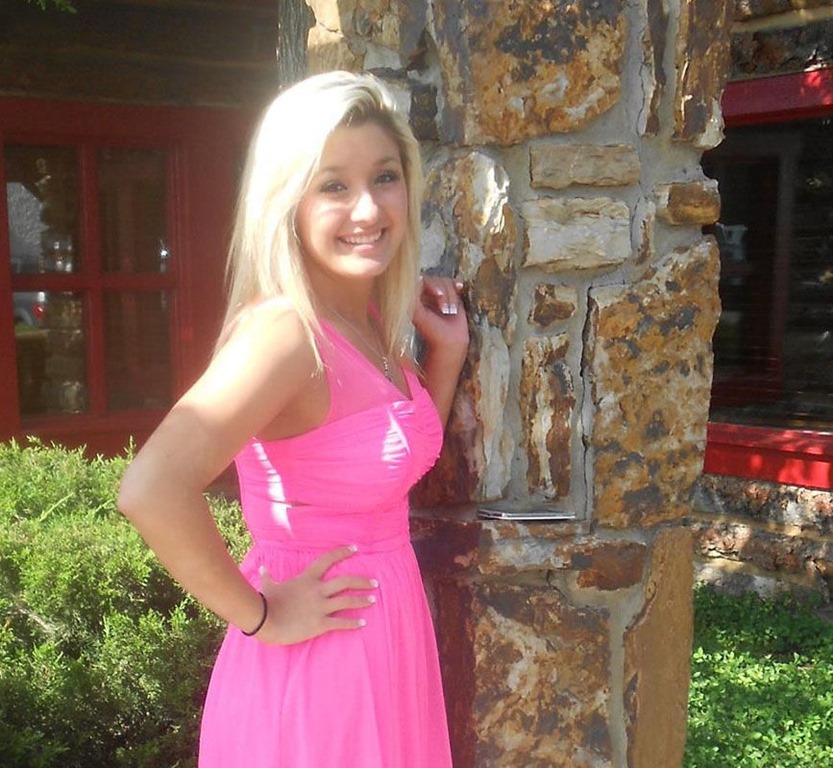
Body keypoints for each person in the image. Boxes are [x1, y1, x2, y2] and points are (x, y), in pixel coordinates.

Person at [117, 70, 469, 767]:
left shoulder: (366, 322)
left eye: (385, 177)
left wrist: (446, 359)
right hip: (318, 667)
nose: (368, 208)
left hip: (387, 641)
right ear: (289, 201)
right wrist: (261, 616)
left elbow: (387, 466)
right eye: (333, 185)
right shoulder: (285, 335)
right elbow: (150, 489)